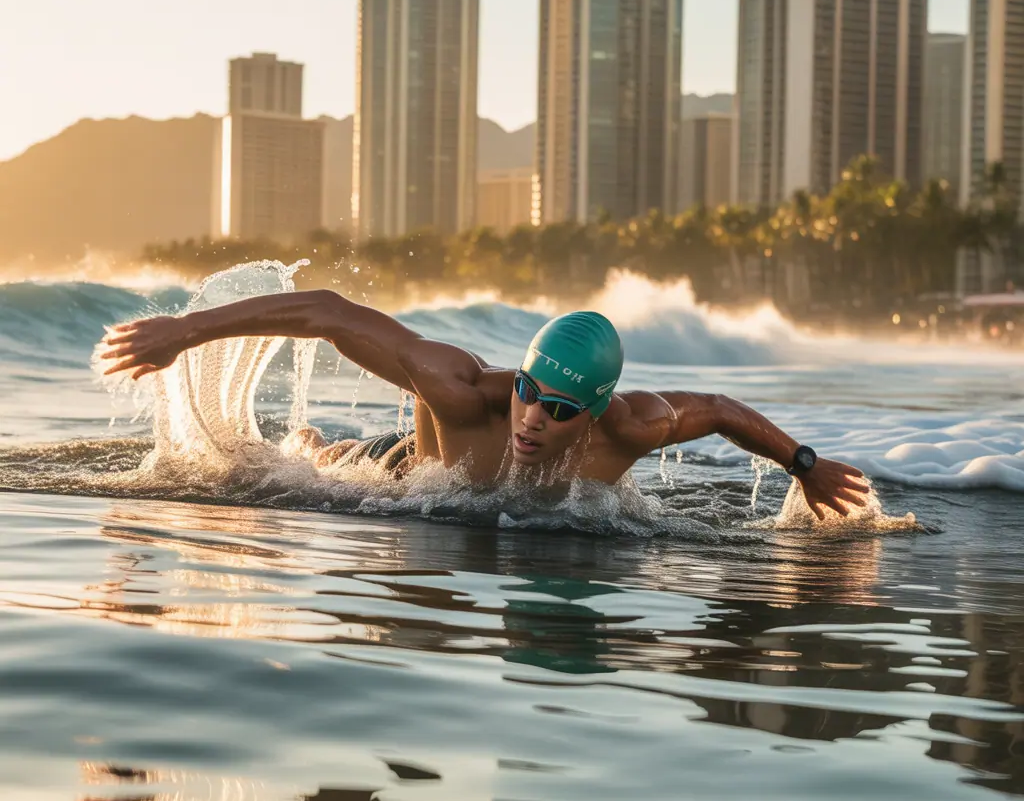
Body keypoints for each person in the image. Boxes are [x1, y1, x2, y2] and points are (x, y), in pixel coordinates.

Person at [101, 288, 869, 519]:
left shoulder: (629, 428)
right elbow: (328, 314)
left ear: (595, 411)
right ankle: (312, 440)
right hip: (402, 471)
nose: (535, 417)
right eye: (531, 393)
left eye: (561, 408)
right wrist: (186, 331)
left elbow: (723, 409)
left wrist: (803, 464)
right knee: (314, 464)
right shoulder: (458, 389)